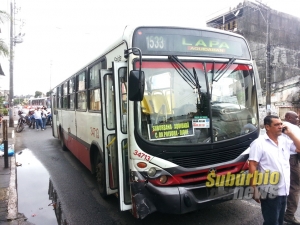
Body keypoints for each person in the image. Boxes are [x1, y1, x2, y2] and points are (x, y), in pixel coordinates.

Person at [249, 115, 300, 225]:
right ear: (267, 127)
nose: (280, 127)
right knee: (271, 222)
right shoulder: (259, 143)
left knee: (279, 220)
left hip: (284, 188)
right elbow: (252, 166)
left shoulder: (284, 141)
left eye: (281, 124)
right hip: (269, 190)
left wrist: (290, 133)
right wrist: (254, 189)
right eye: (276, 124)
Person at [283, 111, 300, 225]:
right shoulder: (292, 127)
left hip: (281, 158)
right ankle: (289, 215)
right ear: (289, 117)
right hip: (292, 159)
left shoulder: (278, 125)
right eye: (296, 117)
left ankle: (277, 213)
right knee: (294, 187)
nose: (298, 119)